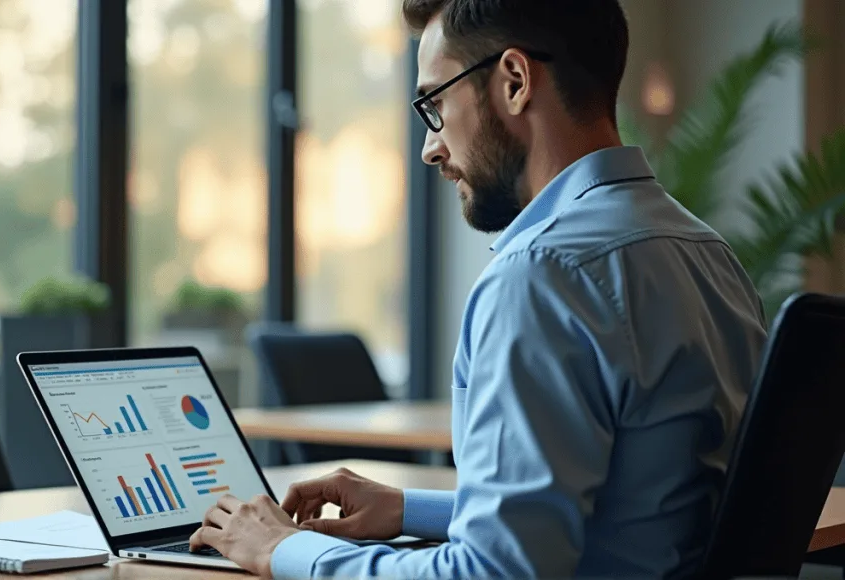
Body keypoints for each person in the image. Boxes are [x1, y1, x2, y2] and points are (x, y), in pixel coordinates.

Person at [189, 0, 769, 577]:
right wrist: (410, 508)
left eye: (435, 102)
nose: (430, 147)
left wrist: (282, 549)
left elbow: (487, 574)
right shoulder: (706, 254)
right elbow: (635, 512)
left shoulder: (541, 274)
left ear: (515, 81)